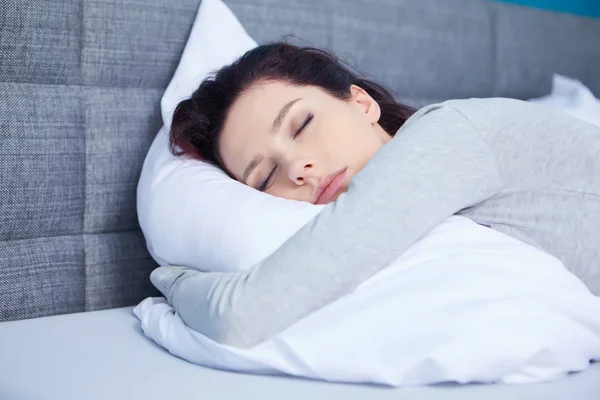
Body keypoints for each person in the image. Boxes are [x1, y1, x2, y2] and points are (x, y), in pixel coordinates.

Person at [151, 42, 600, 349]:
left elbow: (243, 315)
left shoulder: (447, 135)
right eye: (266, 176)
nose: (297, 167)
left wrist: (171, 280)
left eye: (302, 125)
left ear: (361, 102)